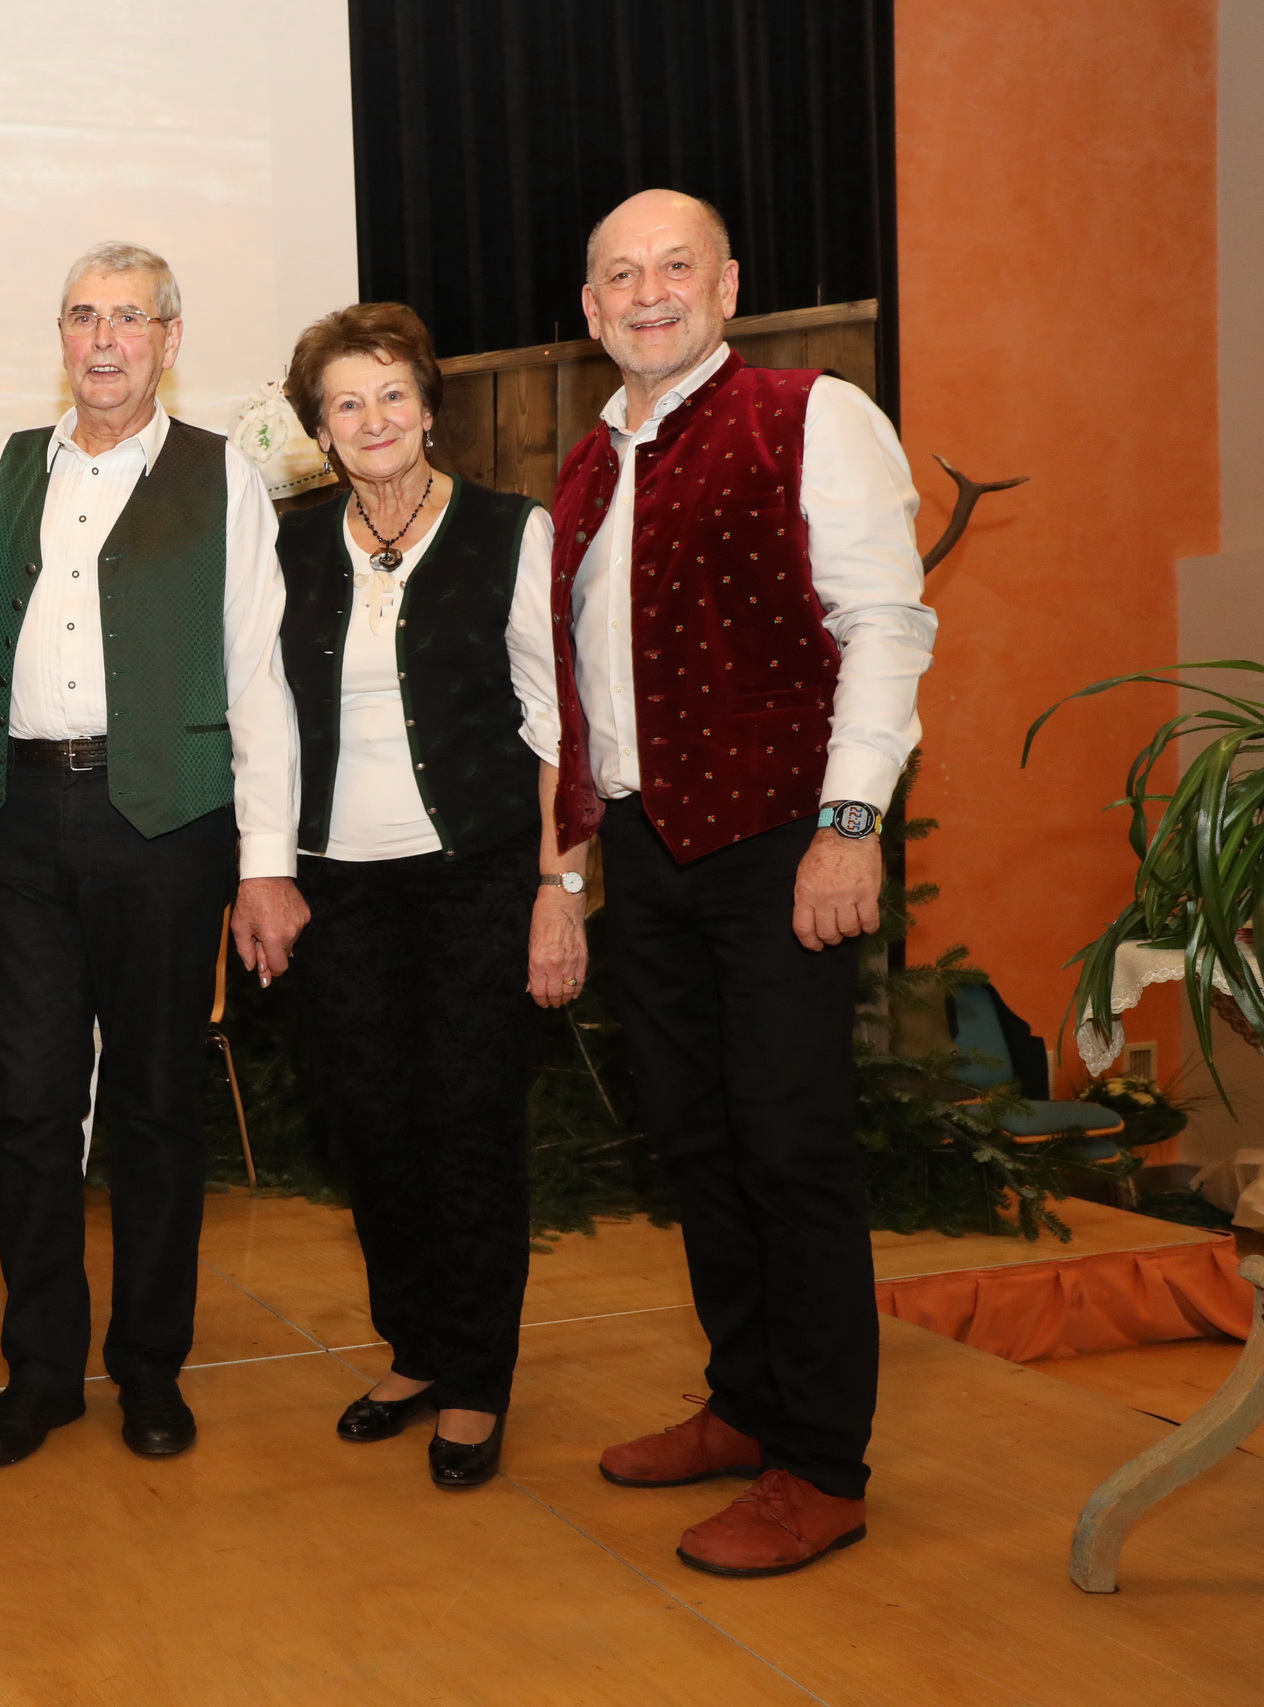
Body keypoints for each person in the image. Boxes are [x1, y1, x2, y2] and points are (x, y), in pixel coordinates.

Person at [536, 189, 933, 1575]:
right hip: (645, 851)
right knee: (698, 1143)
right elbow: (574, 684)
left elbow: (884, 626)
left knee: (789, 1148)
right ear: (589, 310)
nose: (648, 291)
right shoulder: (584, 468)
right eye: (620, 274)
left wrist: (848, 821)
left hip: (777, 837)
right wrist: (572, 863)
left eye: (675, 266)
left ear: (727, 286)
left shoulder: (809, 416)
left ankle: (819, 1464)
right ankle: (747, 1402)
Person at [0, 242, 305, 1467]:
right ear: (60, 335)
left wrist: (266, 862)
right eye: (83, 317)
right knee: (29, 1112)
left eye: (129, 319)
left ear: (169, 338)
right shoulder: (7, 469)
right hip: (17, 824)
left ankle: (150, 1368)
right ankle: (40, 1374)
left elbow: (256, 675)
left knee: (153, 1109)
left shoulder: (220, 476)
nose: (104, 340)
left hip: (165, 824)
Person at [272, 303, 579, 1491]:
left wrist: (557, 886)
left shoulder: (510, 532)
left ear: (429, 406)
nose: (372, 419)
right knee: (371, 1129)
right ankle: (414, 1348)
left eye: (391, 394)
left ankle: (474, 1380)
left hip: (477, 880)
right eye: (345, 403)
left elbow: (557, 727)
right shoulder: (289, 546)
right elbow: (259, 722)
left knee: (468, 1128)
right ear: (318, 429)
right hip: (334, 888)